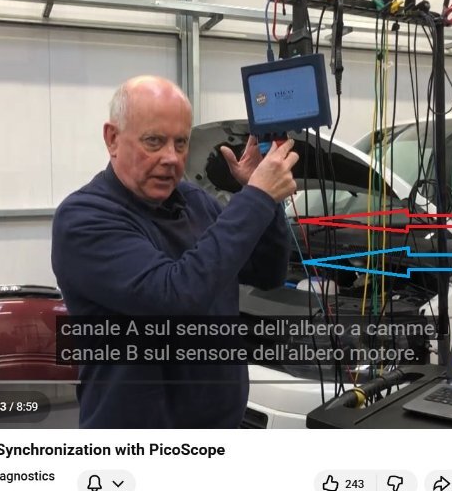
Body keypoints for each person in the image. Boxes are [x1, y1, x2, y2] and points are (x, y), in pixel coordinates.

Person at [51, 75, 298, 428]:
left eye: (180, 143)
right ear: (112, 139)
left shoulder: (194, 201)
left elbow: (267, 272)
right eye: (154, 141)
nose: (171, 157)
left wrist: (266, 203)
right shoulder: (84, 219)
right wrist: (257, 197)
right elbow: (175, 297)